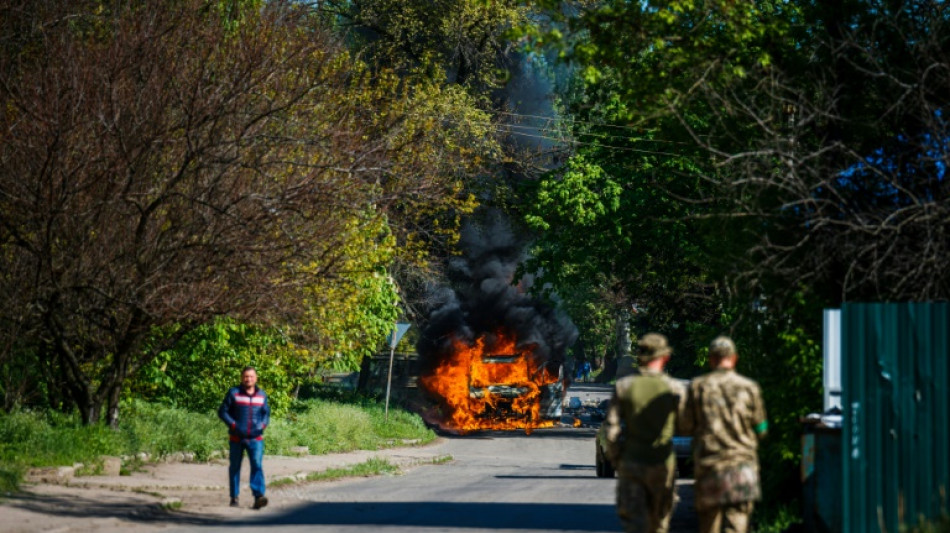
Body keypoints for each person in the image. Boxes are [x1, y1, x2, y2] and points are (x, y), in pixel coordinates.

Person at [680, 336, 768, 533]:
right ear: (734, 358)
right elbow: (761, 428)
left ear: (711, 359)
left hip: (710, 466)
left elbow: (685, 426)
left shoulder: (698, 386)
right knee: (737, 523)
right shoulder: (749, 387)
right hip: (742, 466)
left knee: (710, 523)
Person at [603, 333, 687, 533]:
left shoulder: (624, 387)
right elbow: (687, 425)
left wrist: (616, 459)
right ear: (665, 357)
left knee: (634, 524)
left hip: (632, 464)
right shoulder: (675, 388)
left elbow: (611, 429)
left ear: (639, 357)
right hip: (662, 464)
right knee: (660, 523)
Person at [218, 366, 271, 509]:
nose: (249, 379)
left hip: (255, 438)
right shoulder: (234, 393)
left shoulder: (262, 395)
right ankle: (234, 497)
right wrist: (234, 425)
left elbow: (266, 414)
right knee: (235, 467)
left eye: (251, 376)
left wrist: (262, 426)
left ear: (256, 378)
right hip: (236, 438)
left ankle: (258, 496)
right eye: (246, 376)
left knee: (257, 465)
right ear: (242, 378)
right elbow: (222, 412)